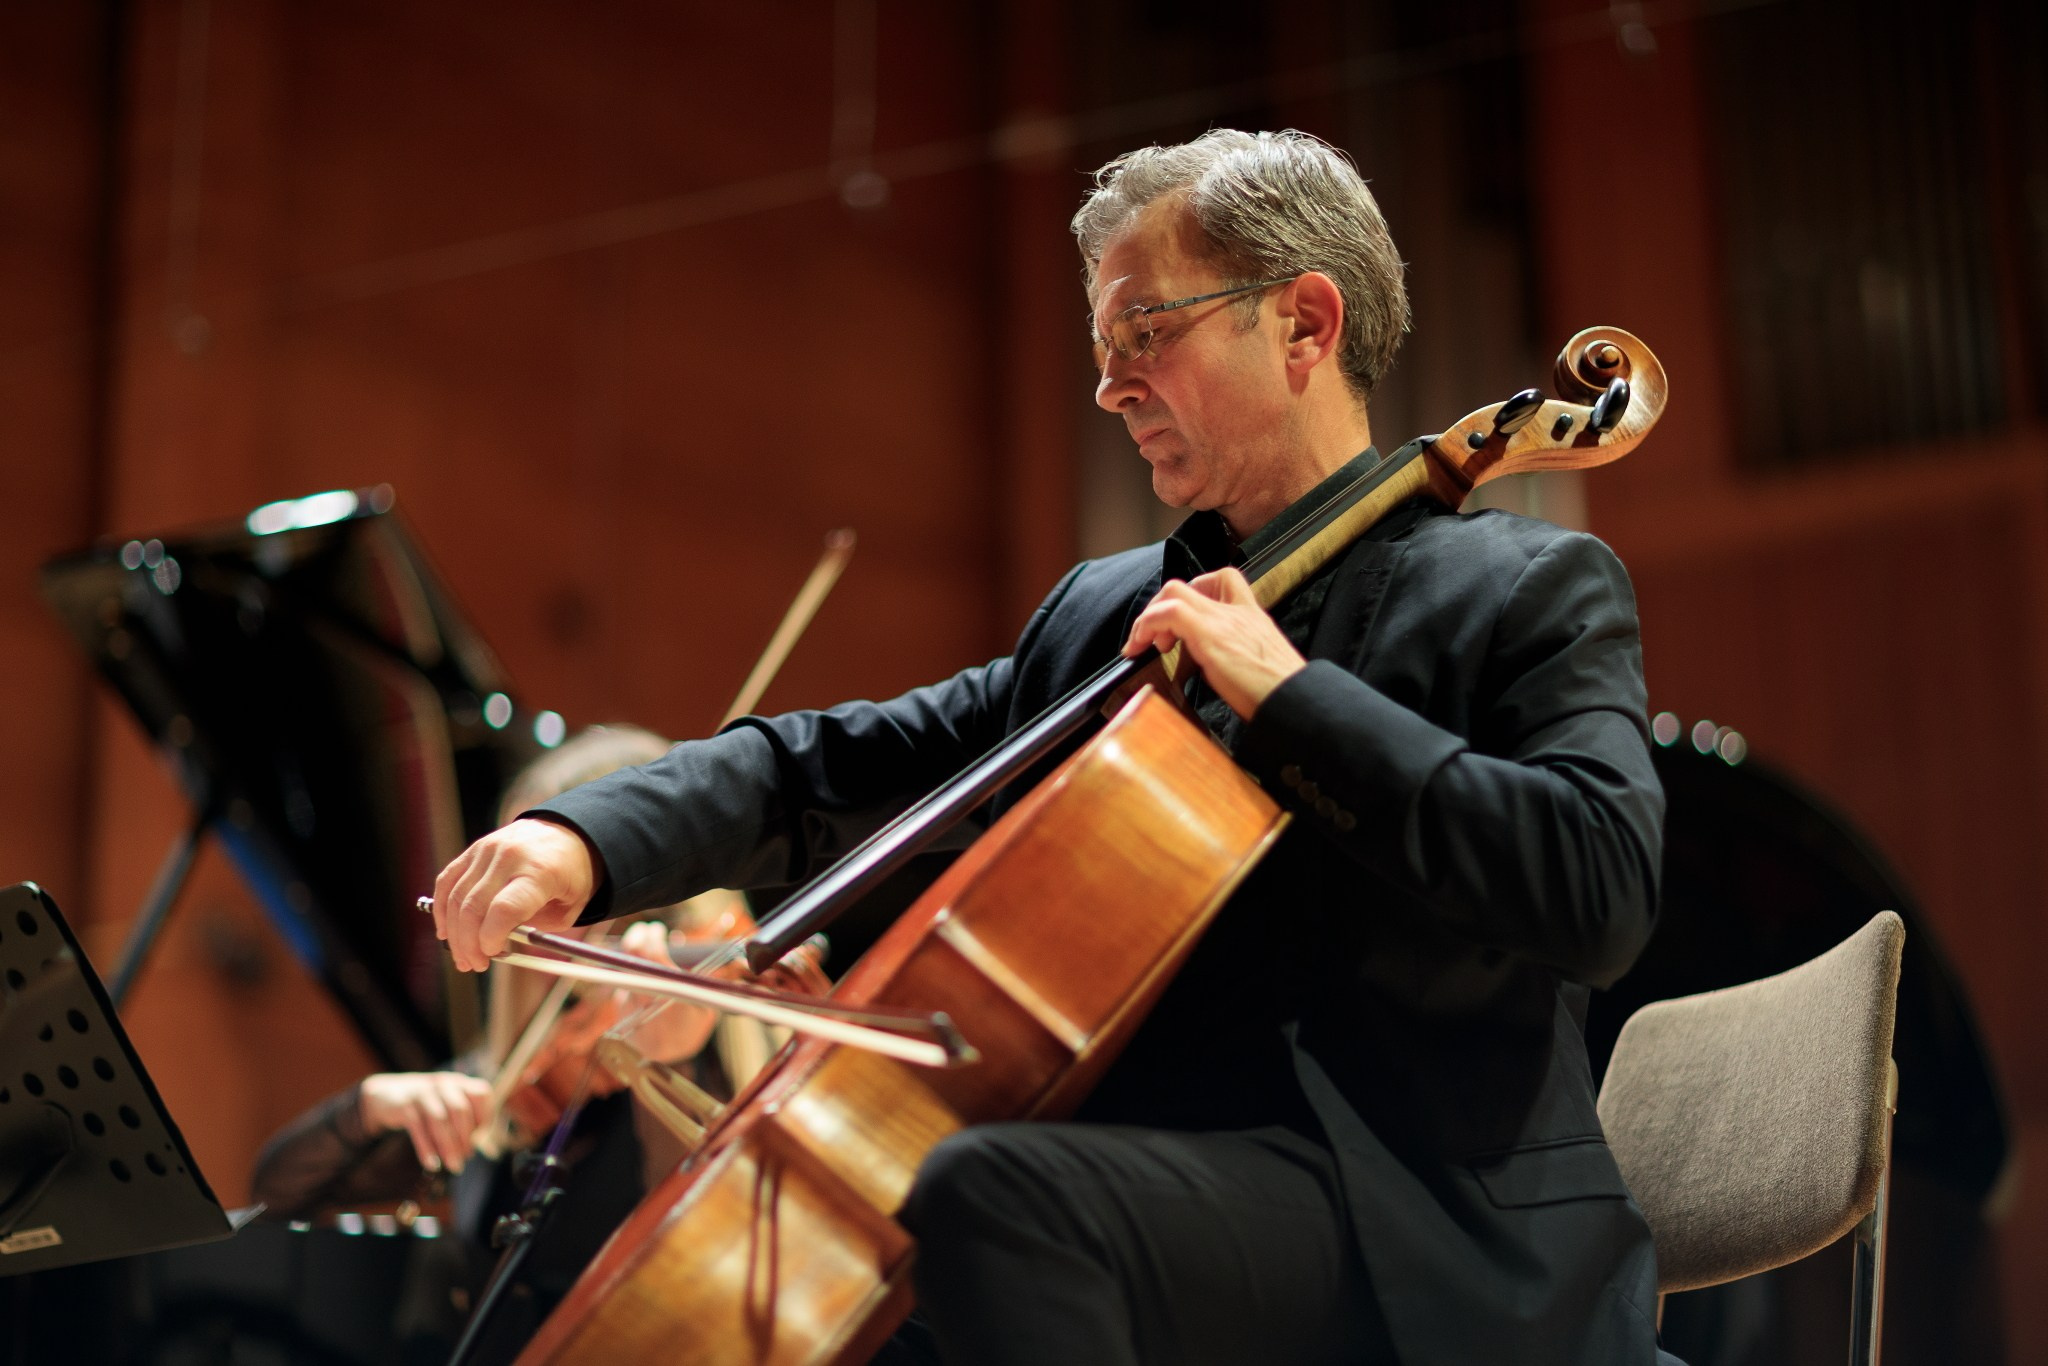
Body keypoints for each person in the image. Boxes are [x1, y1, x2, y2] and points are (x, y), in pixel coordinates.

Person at [431, 128, 1671, 1365]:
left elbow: (1597, 888)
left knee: (993, 1203)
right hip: (1148, 1197)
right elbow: (834, 764)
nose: (1109, 386)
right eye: (1100, 349)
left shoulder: (1524, 587)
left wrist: (1291, 702)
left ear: (1302, 324)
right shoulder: (1104, 616)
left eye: (1144, 335)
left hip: (1420, 1227)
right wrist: (580, 836)